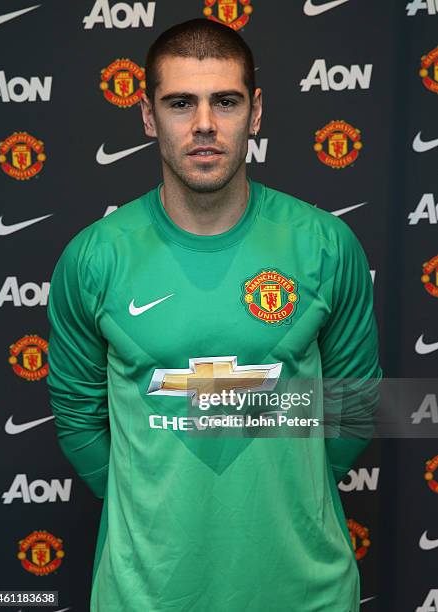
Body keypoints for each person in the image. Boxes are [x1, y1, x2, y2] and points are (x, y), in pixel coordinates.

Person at [46, 17, 383, 612]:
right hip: (145, 596)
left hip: (306, 593)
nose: (204, 124)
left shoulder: (326, 245)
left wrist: (292, 495)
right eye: (181, 103)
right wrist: (151, 506)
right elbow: (78, 419)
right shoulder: (94, 257)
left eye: (224, 101)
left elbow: (355, 407)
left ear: (255, 113)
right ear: (149, 117)